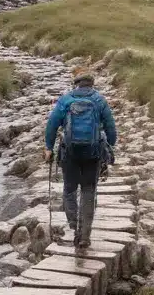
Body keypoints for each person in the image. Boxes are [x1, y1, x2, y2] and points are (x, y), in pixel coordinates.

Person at [45, 65, 117, 250]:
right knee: (88, 191)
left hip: (70, 153)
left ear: (75, 84)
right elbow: (110, 127)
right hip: (93, 153)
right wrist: (110, 145)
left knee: (69, 190)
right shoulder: (99, 100)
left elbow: (52, 125)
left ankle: (74, 227)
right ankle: (85, 234)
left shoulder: (66, 100)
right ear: (92, 84)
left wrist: (48, 148)